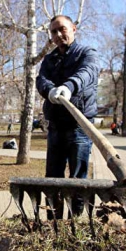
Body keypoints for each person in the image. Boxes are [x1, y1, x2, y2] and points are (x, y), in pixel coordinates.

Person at [36, 15, 99, 219]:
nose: (58, 34)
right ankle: (53, 221)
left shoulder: (86, 53)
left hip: (79, 125)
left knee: (77, 178)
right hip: (56, 125)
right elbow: (41, 80)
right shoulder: (49, 59)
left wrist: (69, 86)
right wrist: (50, 90)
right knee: (52, 177)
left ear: (73, 29)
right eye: (53, 31)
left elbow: (87, 72)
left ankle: (75, 222)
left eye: (62, 29)